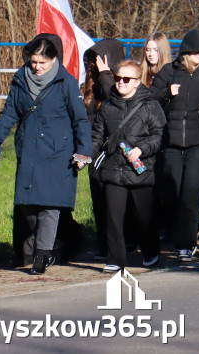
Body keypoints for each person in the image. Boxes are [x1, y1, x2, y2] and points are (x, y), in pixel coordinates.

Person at [0, 34, 92, 275]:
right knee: (28, 207)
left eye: (42, 62)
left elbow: (80, 120)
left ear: (53, 60)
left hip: (59, 154)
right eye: (33, 61)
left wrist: (83, 152)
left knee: (50, 207)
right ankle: (67, 238)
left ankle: (42, 257)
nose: (36, 67)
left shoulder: (66, 82)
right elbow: (9, 114)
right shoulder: (20, 79)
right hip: (30, 151)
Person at [91, 59, 165, 272]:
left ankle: (151, 250)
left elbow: (160, 136)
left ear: (137, 82)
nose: (120, 83)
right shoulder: (107, 106)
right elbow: (97, 135)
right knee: (113, 216)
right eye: (116, 78)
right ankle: (116, 259)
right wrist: (88, 156)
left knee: (144, 218)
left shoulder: (151, 106)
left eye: (125, 79)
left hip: (141, 171)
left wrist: (142, 148)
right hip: (113, 169)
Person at [149, 29, 199, 262]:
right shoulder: (170, 71)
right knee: (174, 191)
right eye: (195, 51)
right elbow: (150, 98)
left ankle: (186, 243)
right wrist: (167, 92)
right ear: (186, 53)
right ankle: (174, 233)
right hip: (172, 141)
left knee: (192, 192)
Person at [82, 38, 126, 259]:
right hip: (95, 151)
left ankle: (121, 243)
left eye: (99, 61)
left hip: (116, 151)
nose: (94, 67)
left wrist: (106, 74)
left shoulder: (122, 83)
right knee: (99, 200)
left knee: (114, 202)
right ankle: (103, 245)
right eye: (92, 62)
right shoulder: (89, 89)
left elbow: (118, 102)